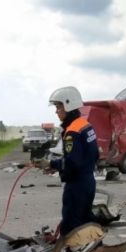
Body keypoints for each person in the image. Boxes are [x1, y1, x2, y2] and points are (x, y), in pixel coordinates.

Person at [38, 86, 101, 236]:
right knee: (86, 222)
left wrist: (52, 164)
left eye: (59, 106)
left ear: (69, 105)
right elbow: (93, 155)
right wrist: (59, 167)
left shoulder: (72, 132)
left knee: (71, 226)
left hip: (77, 185)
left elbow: (73, 163)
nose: (56, 111)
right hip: (88, 182)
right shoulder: (85, 125)